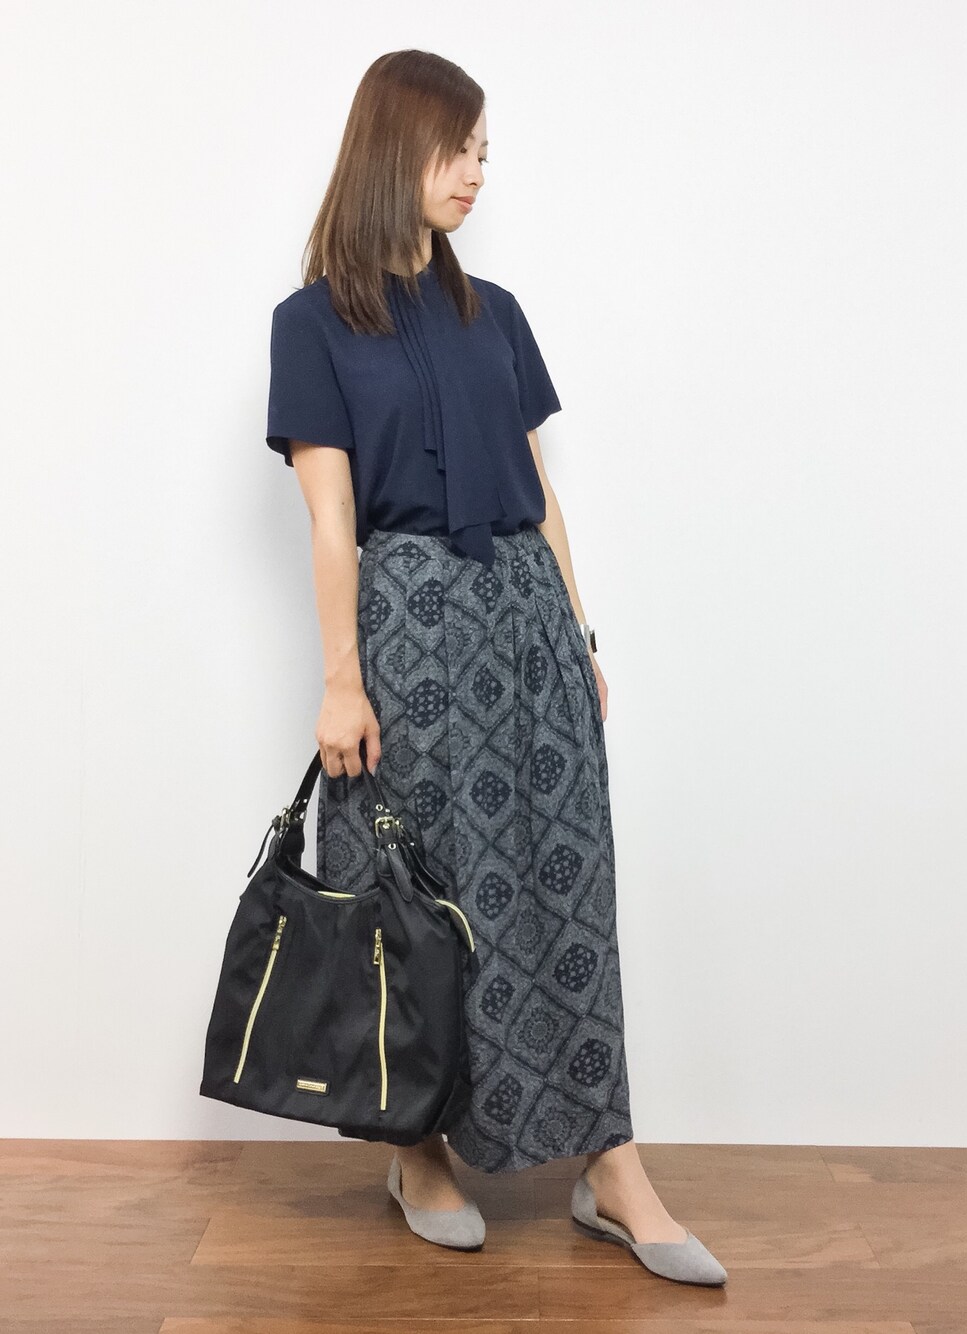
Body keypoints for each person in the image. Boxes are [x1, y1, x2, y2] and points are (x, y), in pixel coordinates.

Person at [264, 49, 726, 1286]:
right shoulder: (312, 324)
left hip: (525, 619)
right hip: (408, 627)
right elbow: (329, 519)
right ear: (394, 148)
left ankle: (610, 1167)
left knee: (567, 883)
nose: (476, 172)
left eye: (483, 152)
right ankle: (416, 1148)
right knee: (418, 893)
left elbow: (539, 490)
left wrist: (578, 632)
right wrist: (341, 677)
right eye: (456, 148)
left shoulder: (495, 310)